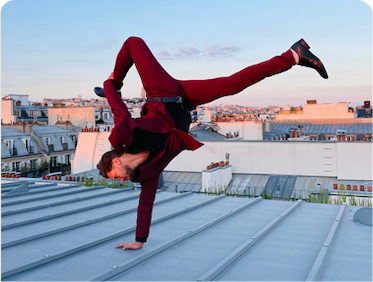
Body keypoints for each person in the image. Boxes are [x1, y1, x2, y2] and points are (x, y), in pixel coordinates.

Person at [95, 36, 328, 250]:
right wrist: (139, 241)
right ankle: (296, 54)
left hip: (161, 91)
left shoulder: (121, 138)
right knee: (233, 86)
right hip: (184, 104)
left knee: (133, 42)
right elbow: (145, 203)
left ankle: (292, 57)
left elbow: (119, 110)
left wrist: (111, 86)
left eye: (116, 175)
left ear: (115, 160)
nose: (122, 180)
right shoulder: (146, 172)